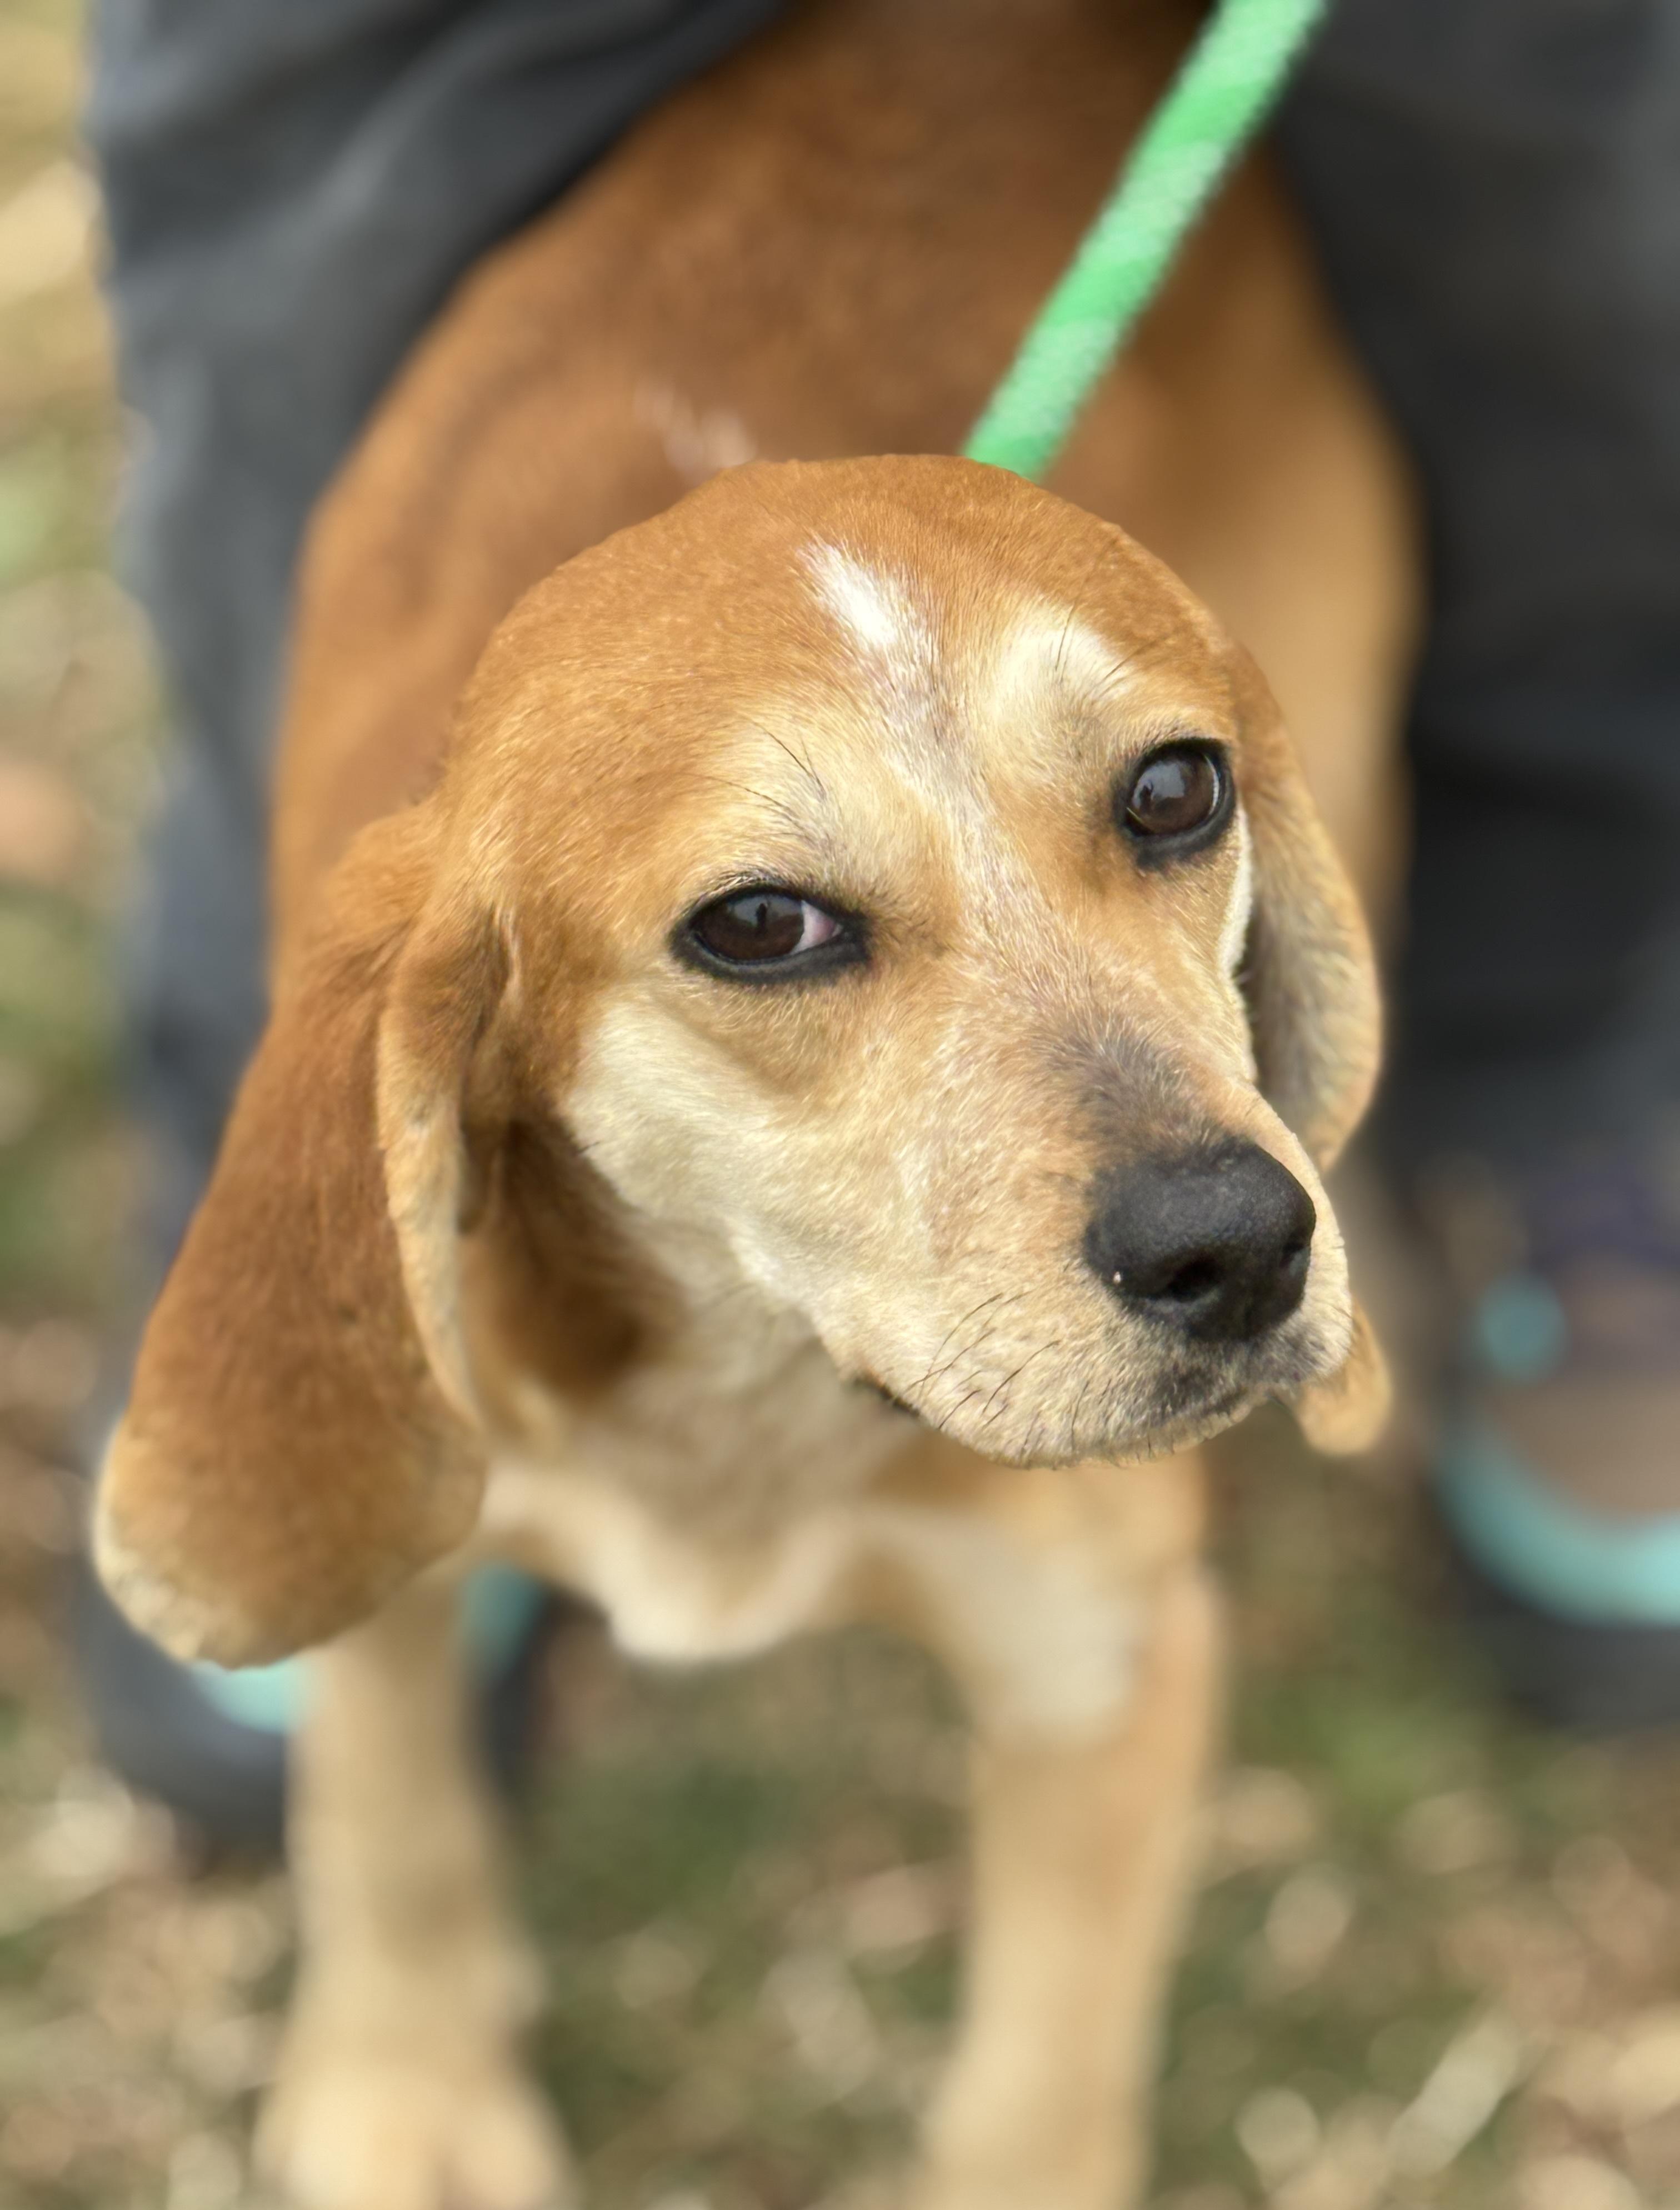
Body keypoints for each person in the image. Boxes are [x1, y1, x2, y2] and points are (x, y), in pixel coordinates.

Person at [72, 0, 1680, 1841]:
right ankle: (319, 1286)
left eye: (1167, 804)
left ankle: (1555, 1073)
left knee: (1522, 183)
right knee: (318, 231)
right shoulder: (433, 936)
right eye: (768, 922)